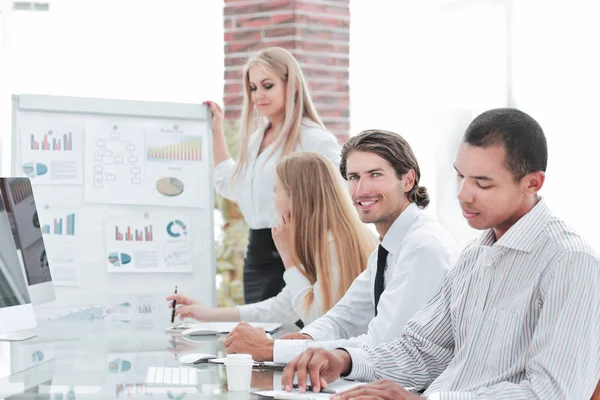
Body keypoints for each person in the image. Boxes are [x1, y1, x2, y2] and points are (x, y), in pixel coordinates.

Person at [281, 109, 600, 399]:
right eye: (461, 176)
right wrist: (345, 359)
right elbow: (421, 349)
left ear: (532, 183)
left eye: (483, 183)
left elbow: (553, 393)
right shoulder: (475, 255)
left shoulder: (570, 263)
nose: (462, 194)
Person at [222, 130, 460, 362]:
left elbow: (383, 345)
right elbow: (344, 316)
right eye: (354, 177)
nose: (361, 189)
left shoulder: (422, 246)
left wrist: (273, 350)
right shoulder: (388, 248)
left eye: (375, 175)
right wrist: (303, 338)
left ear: (407, 180)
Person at [168, 152, 377, 327]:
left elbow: (314, 317)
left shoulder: (334, 243)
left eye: (276, 190)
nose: (273, 198)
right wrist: (209, 314)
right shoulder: (325, 239)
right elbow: (284, 308)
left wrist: (288, 259)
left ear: (297, 196)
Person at [207, 47, 341, 305]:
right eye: (253, 88)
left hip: (298, 251)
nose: (258, 95)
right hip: (256, 254)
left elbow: (341, 195)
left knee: (291, 337)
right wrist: (216, 131)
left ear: (291, 86)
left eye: (267, 86)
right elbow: (230, 185)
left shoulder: (314, 138)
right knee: (257, 335)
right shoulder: (256, 139)